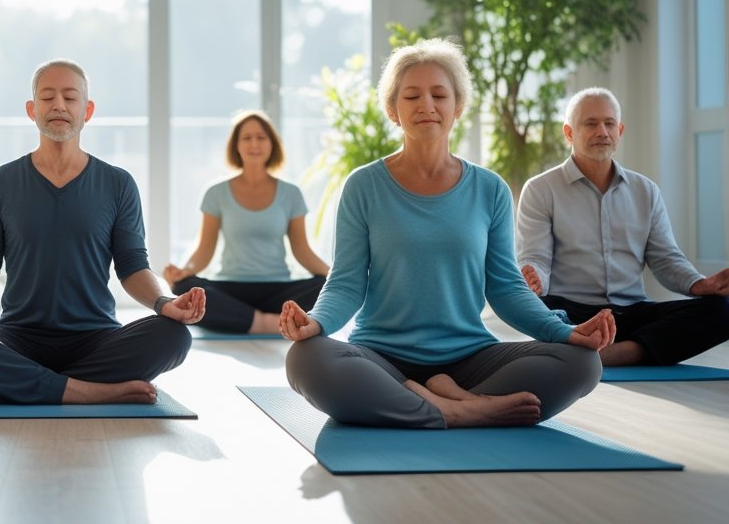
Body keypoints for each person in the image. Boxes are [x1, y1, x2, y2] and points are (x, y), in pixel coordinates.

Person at [280, 39, 615, 428]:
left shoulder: (490, 189)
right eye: (412, 96)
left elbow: (506, 287)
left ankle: (435, 403)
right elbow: (346, 283)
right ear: (393, 110)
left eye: (439, 94)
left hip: (468, 358)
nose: (427, 105)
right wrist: (316, 323)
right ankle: (458, 409)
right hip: (382, 357)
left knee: (582, 362)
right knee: (305, 358)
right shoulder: (364, 186)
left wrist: (565, 332)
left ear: (458, 107)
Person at [0, 59, 205, 404]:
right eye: (47, 98)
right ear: (32, 110)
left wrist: (165, 303)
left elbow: (133, 266)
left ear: (87, 111)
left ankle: (13, 384)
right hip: (17, 338)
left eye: (70, 97)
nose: (59, 105)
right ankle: (86, 391)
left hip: (96, 338)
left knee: (174, 336)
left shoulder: (118, 183)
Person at [516, 87, 729, 367]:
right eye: (590, 124)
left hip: (633, 313)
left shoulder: (646, 191)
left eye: (609, 123)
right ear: (569, 133)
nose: (602, 131)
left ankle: (613, 353)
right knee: (538, 311)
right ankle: (619, 347)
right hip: (572, 313)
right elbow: (537, 258)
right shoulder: (540, 189)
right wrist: (534, 280)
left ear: (620, 130)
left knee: (723, 309)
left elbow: (666, 260)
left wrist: (701, 285)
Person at [164, 110, 328, 334]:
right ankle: (266, 323)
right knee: (185, 288)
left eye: (261, 137)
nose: (254, 144)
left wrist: (333, 276)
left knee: (324, 286)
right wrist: (186, 271)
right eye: (247, 138)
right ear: (236, 145)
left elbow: (302, 250)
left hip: (278, 290)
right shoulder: (216, 193)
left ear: (272, 144)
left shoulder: (291, 194)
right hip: (230, 287)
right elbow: (204, 249)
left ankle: (244, 319)